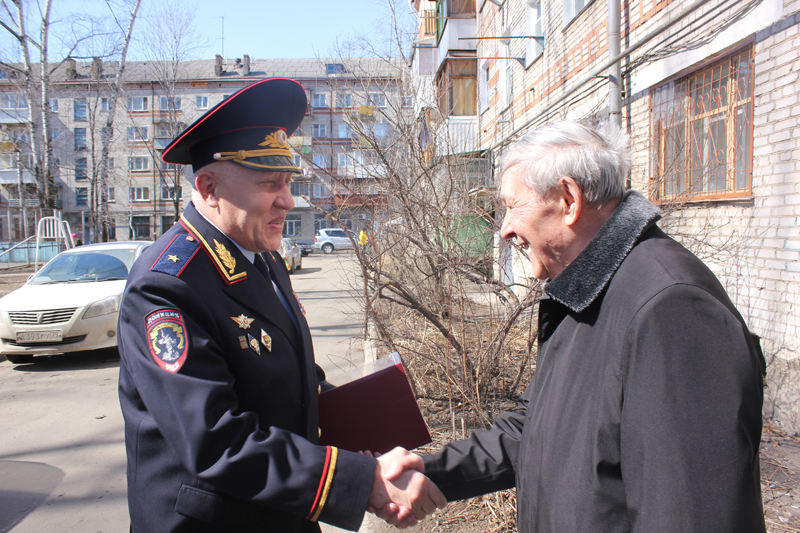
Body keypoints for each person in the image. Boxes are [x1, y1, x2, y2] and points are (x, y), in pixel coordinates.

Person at [381, 121, 766, 532]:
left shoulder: (669, 308)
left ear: (568, 200)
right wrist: (430, 471)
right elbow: (535, 428)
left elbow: (690, 515)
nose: (505, 228)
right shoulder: (587, 293)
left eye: (513, 206)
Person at [117, 78, 444, 533]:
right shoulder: (167, 287)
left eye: (288, 181)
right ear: (209, 188)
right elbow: (217, 442)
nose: (288, 200)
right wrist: (359, 483)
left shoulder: (261, 256)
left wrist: (374, 439)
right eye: (270, 183)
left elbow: (295, 381)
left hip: (283, 511)